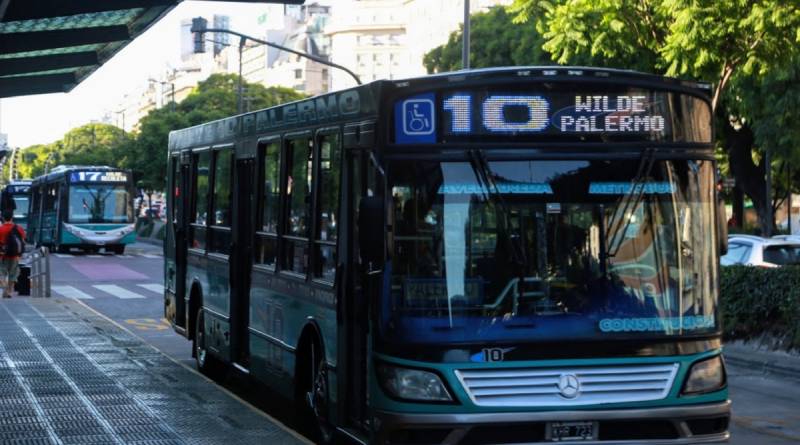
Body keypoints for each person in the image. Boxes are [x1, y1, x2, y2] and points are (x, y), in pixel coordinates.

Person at [0, 210, 25, 299]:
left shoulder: (1, 229)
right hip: (15, 255)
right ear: (12, 218)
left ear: (3, 218)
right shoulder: (19, 228)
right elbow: (22, 241)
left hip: (2, 255)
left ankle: (5, 289)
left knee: (2, 273)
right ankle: (10, 292)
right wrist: (20, 253)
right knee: (13, 274)